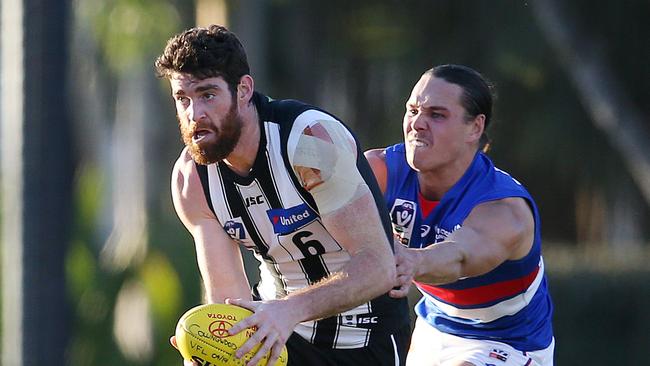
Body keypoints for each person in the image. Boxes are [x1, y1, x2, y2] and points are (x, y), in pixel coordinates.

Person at [154, 25, 410, 366]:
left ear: (243, 90)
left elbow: (379, 267)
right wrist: (212, 350)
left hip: (364, 340)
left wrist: (290, 310)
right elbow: (228, 297)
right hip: (277, 339)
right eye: (182, 99)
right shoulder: (191, 179)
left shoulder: (308, 141)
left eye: (208, 95)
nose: (194, 114)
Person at [365, 65, 555, 366]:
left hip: (509, 342)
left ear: (475, 128)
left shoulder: (505, 210)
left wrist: (412, 261)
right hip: (434, 329)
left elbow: (459, 255)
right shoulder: (381, 170)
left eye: (436, 115)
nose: (417, 123)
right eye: (413, 110)